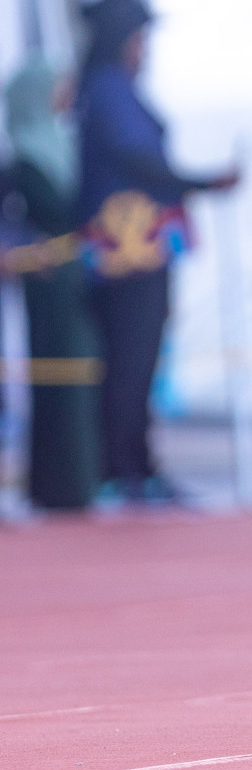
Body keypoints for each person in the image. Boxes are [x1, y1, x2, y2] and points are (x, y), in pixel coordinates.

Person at [74, 0, 239, 506]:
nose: (145, 49)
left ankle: (136, 465)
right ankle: (124, 470)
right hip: (128, 252)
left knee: (140, 361)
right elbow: (140, 158)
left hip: (138, 246)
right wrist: (202, 182)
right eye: (141, 38)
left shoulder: (108, 89)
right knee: (131, 359)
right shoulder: (108, 91)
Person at [6, 60, 98, 510]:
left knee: (83, 372)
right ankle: (53, 485)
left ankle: (80, 483)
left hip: (78, 274)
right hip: (44, 281)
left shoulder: (67, 144)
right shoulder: (20, 157)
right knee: (53, 373)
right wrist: (22, 248)